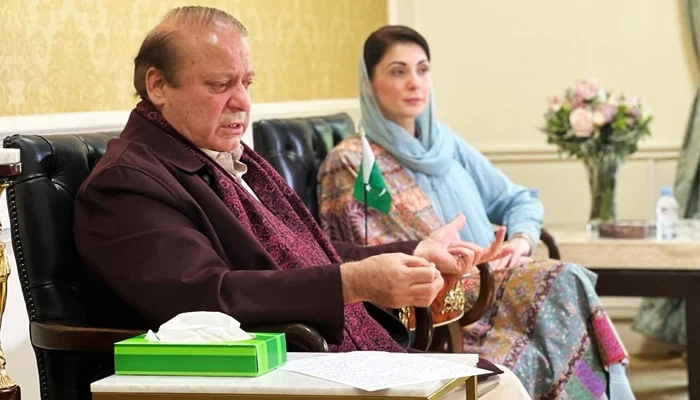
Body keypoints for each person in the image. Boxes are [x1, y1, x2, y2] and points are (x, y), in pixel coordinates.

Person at [72, 6, 517, 357]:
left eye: (246, 82)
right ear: (158, 86)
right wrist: (352, 284)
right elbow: (207, 299)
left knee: (499, 386)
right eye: (219, 84)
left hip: (318, 357)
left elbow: (303, 253)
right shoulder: (127, 184)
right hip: (274, 371)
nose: (243, 103)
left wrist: (411, 251)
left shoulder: (222, 156)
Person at [318, 25, 637, 400]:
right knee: (566, 278)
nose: (414, 83)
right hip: (448, 306)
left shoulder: (445, 142)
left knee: (566, 282)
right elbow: (373, 261)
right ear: (369, 83)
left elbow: (519, 199)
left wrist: (521, 239)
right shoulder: (353, 161)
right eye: (398, 71)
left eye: (422, 70)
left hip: (496, 278)